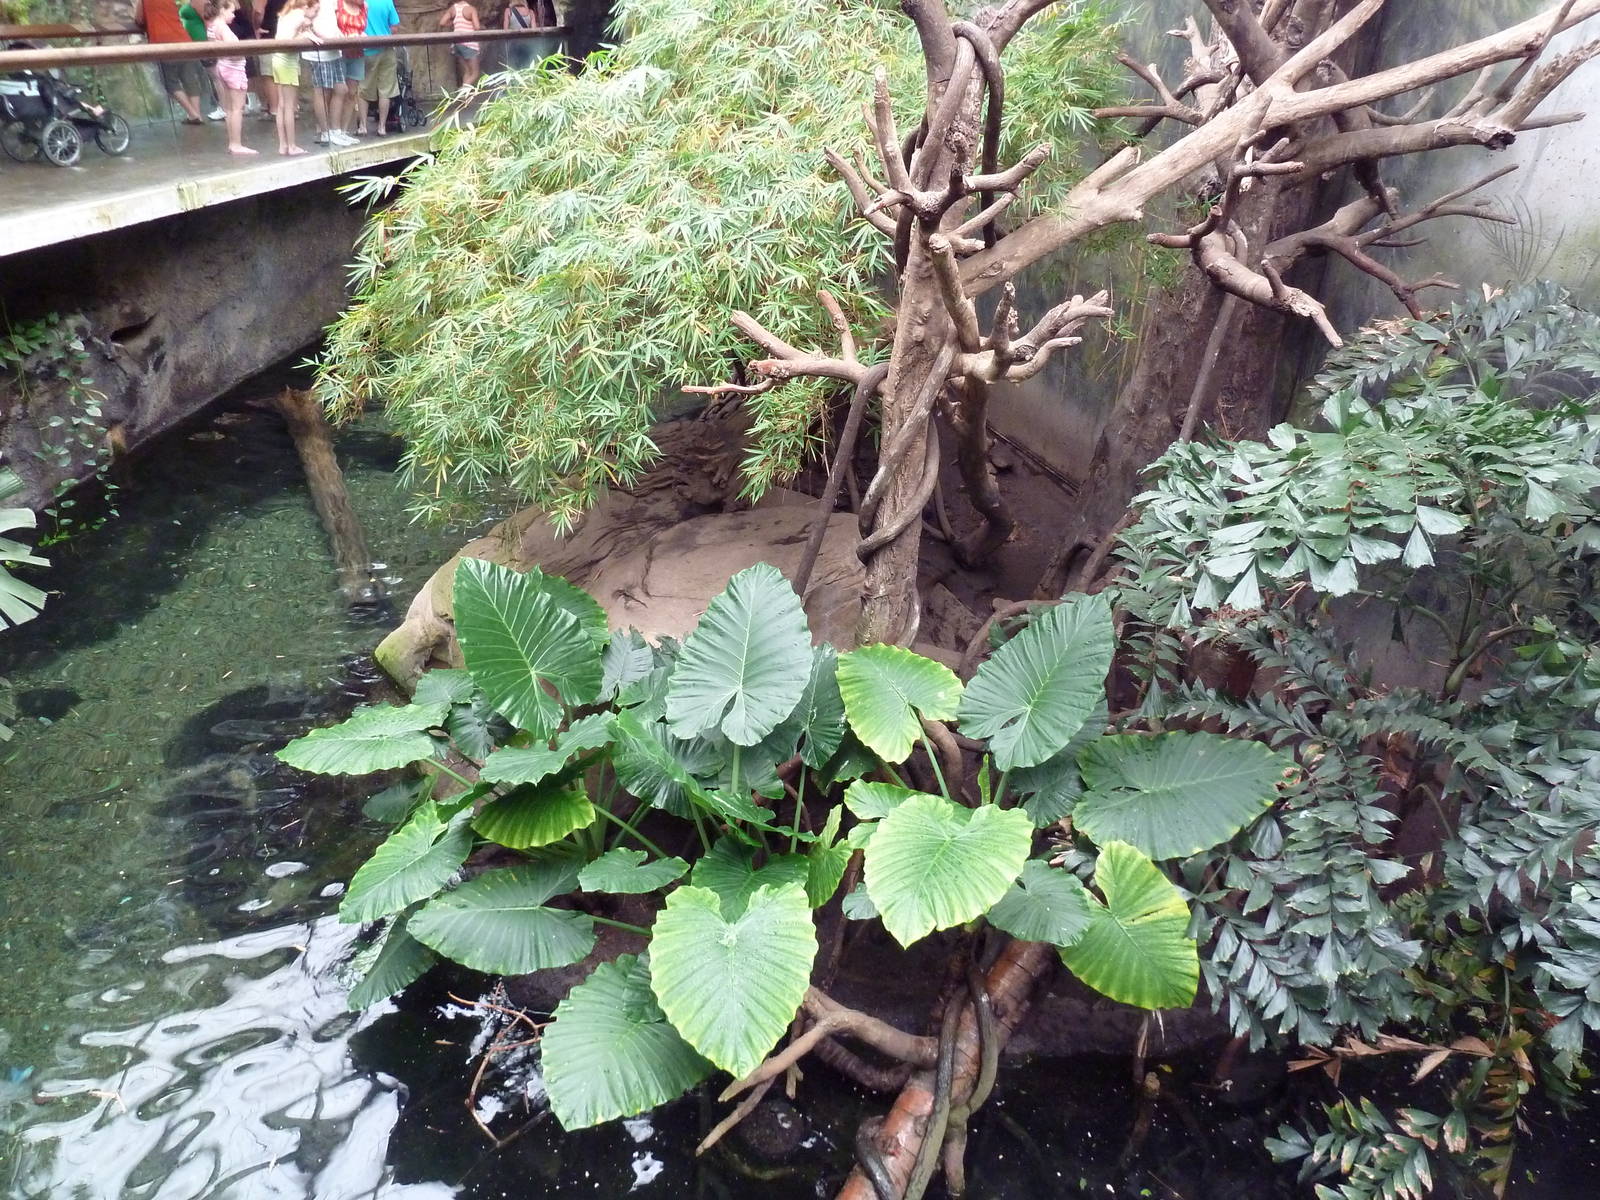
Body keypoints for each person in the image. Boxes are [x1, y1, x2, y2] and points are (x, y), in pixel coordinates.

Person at [135, 0, 207, 123]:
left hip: (162, 43)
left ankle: (193, 113)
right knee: (190, 79)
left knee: (170, 82)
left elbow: (139, 19)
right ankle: (196, 115)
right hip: (183, 40)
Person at [205, 0, 255, 154]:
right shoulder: (223, 28)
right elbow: (233, 50)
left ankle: (233, 142)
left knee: (229, 109)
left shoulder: (212, 27)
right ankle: (236, 143)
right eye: (231, 12)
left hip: (222, 66)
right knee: (236, 109)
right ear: (222, 10)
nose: (233, 15)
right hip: (233, 69)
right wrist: (244, 51)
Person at [269, 0, 316, 153]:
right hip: (287, 62)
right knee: (289, 106)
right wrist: (306, 36)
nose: (315, 15)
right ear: (306, 7)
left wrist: (303, 33)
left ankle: (283, 145)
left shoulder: (286, 14)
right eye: (315, 10)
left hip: (277, 59)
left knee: (282, 105)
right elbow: (288, 40)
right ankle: (292, 145)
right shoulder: (299, 16)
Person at [303, 0, 352, 145]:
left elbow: (333, 21)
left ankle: (336, 131)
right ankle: (325, 133)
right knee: (322, 91)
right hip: (319, 50)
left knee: (341, 89)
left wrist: (341, 38)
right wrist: (325, 38)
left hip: (334, 49)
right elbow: (306, 21)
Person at [356, 0, 398, 136]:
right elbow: (394, 27)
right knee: (386, 90)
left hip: (367, 50)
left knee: (363, 88)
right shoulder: (387, 2)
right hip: (387, 48)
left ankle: (363, 126)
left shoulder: (360, 2)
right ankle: (382, 127)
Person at [334, 0, 368, 136]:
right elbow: (331, 26)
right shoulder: (337, 5)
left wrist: (361, 36)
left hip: (357, 52)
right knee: (339, 90)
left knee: (352, 92)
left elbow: (364, 28)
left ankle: (344, 130)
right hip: (339, 52)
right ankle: (334, 130)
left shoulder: (365, 7)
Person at [438, 0, 479, 89]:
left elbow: (442, 22)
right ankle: (461, 92)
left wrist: (453, 23)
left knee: (467, 71)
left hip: (457, 43)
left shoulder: (453, 9)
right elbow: (477, 27)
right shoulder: (471, 9)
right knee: (475, 73)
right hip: (469, 44)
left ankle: (464, 101)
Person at [500, 0, 536, 71]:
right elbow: (534, 31)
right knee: (526, 67)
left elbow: (505, 30)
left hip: (512, 44)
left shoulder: (508, 11)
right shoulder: (530, 12)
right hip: (527, 44)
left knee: (513, 68)